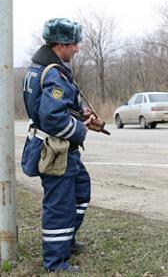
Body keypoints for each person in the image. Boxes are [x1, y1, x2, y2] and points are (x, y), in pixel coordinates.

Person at [21, 18, 101, 273]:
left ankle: (67, 241)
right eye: (73, 44)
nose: (77, 49)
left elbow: (60, 107)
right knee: (59, 206)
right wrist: (81, 130)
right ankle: (55, 263)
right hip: (56, 151)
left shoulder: (43, 68)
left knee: (80, 192)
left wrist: (83, 113)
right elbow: (53, 118)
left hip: (64, 152)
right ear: (60, 45)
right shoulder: (52, 72)